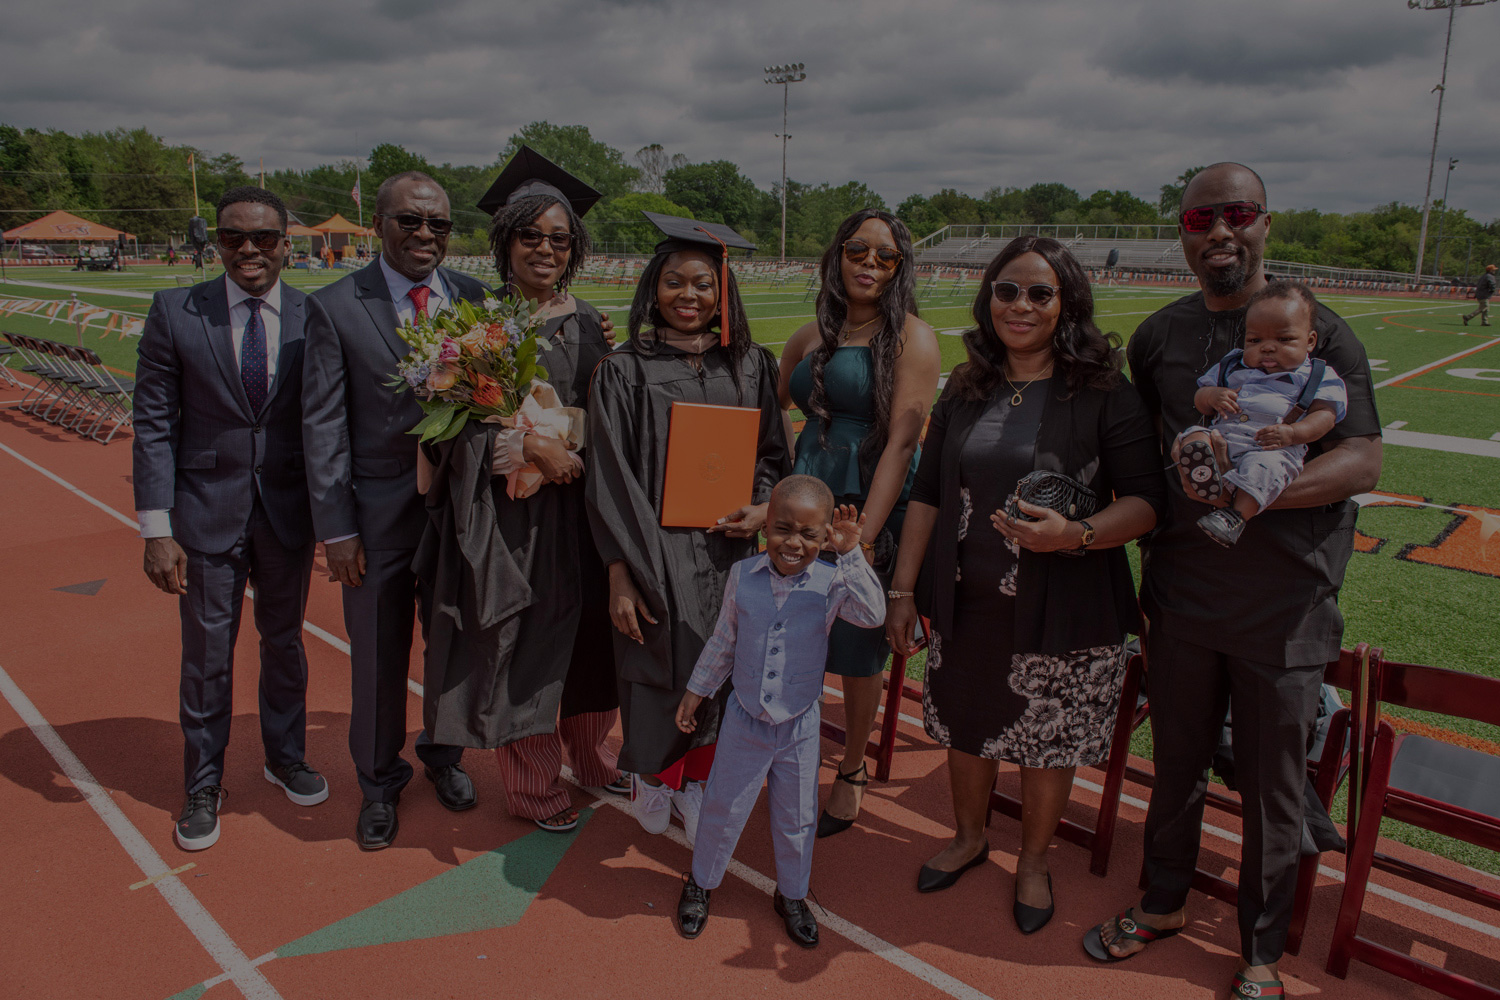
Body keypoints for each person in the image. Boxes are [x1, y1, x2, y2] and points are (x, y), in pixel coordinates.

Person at [1082, 163, 1381, 1000]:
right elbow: (1132, 448)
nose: (1220, 229)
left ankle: (1260, 951)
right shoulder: (1160, 338)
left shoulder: (1319, 334)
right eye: (1201, 215)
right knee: (1174, 763)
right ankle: (1163, 902)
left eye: (1237, 212)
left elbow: (1362, 457)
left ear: (1264, 224)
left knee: (1273, 787)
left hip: (1286, 602)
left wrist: (1249, 496)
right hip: (1181, 591)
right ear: (1182, 231)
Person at [885, 235, 1164, 934]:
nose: (1021, 305)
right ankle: (970, 837)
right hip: (966, 598)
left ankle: (1034, 859)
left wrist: (1078, 535)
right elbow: (925, 492)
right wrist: (903, 589)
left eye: (1040, 292)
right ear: (989, 298)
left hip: (1065, 603)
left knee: (1049, 735)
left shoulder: (1103, 393)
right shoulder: (966, 386)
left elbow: (1147, 500)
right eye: (1008, 290)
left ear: (1066, 303)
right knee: (968, 724)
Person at [413, 148, 624, 836]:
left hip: (585, 514)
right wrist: (526, 445)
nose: (545, 248)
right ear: (505, 241)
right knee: (528, 645)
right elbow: (447, 434)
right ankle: (534, 789)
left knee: (592, 641)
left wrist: (582, 432)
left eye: (559, 238)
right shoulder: (476, 325)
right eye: (531, 235)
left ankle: (592, 759)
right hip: (515, 517)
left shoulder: (592, 322)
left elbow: (615, 414)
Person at [586, 212, 791, 843]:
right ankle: (656, 777)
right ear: (653, 289)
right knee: (656, 662)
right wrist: (620, 572)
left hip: (730, 549)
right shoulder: (623, 371)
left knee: (725, 668)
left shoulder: (751, 364)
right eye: (673, 282)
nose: (688, 296)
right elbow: (608, 479)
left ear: (722, 291)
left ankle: (701, 781)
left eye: (702, 283)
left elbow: (772, 457)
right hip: (653, 549)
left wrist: (763, 507)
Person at [302, 171, 492, 850]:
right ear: (378, 224)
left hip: (457, 517)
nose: (424, 235)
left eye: (437, 223)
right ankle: (380, 782)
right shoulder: (334, 307)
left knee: (453, 650)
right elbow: (323, 425)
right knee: (379, 657)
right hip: (375, 519)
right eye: (410, 221)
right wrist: (338, 529)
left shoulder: (475, 300)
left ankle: (443, 757)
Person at [132, 186, 325, 851]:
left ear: (285, 244)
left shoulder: (312, 315)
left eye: (264, 238)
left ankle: (285, 755)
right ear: (215, 242)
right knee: (208, 656)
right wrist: (156, 527)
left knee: (284, 644)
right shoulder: (175, 311)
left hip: (288, 512)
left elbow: (330, 421)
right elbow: (153, 424)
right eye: (233, 237)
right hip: (204, 514)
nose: (249, 249)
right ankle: (204, 782)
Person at [767, 209, 940, 838]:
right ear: (837, 255)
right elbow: (770, 406)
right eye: (857, 249)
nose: (869, 263)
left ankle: (852, 767)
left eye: (885, 256)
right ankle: (785, 748)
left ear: (900, 267)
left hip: (866, 498)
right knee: (789, 629)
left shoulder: (912, 339)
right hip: (804, 499)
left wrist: (863, 538)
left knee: (858, 646)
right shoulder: (812, 333)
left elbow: (901, 443)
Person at [674, 478, 883, 948]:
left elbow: (872, 616)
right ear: (764, 527)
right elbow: (725, 640)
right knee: (722, 807)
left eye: (810, 534)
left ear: (827, 534)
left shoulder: (834, 582)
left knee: (798, 816)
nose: (794, 543)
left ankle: (791, 894)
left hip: (800, 725)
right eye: (782, 529)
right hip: (745, 719)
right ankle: (701, 882)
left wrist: (851, 555)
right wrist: (697, 690)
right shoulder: (742, 577)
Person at [1178, 280, 1348, 547]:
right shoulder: (1233, 365)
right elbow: (1200, 400)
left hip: (1269, 447)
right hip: (1223, 436)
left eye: (1284, 339)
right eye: (1255, 340)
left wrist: (1293, 433)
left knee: (1266, 470)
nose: (1268, 348)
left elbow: (1324, 417)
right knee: (1193, 435)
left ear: (1310, 340)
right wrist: (1213, 396)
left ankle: (1233, 517)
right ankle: (1201, 469)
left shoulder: (1316, 376)